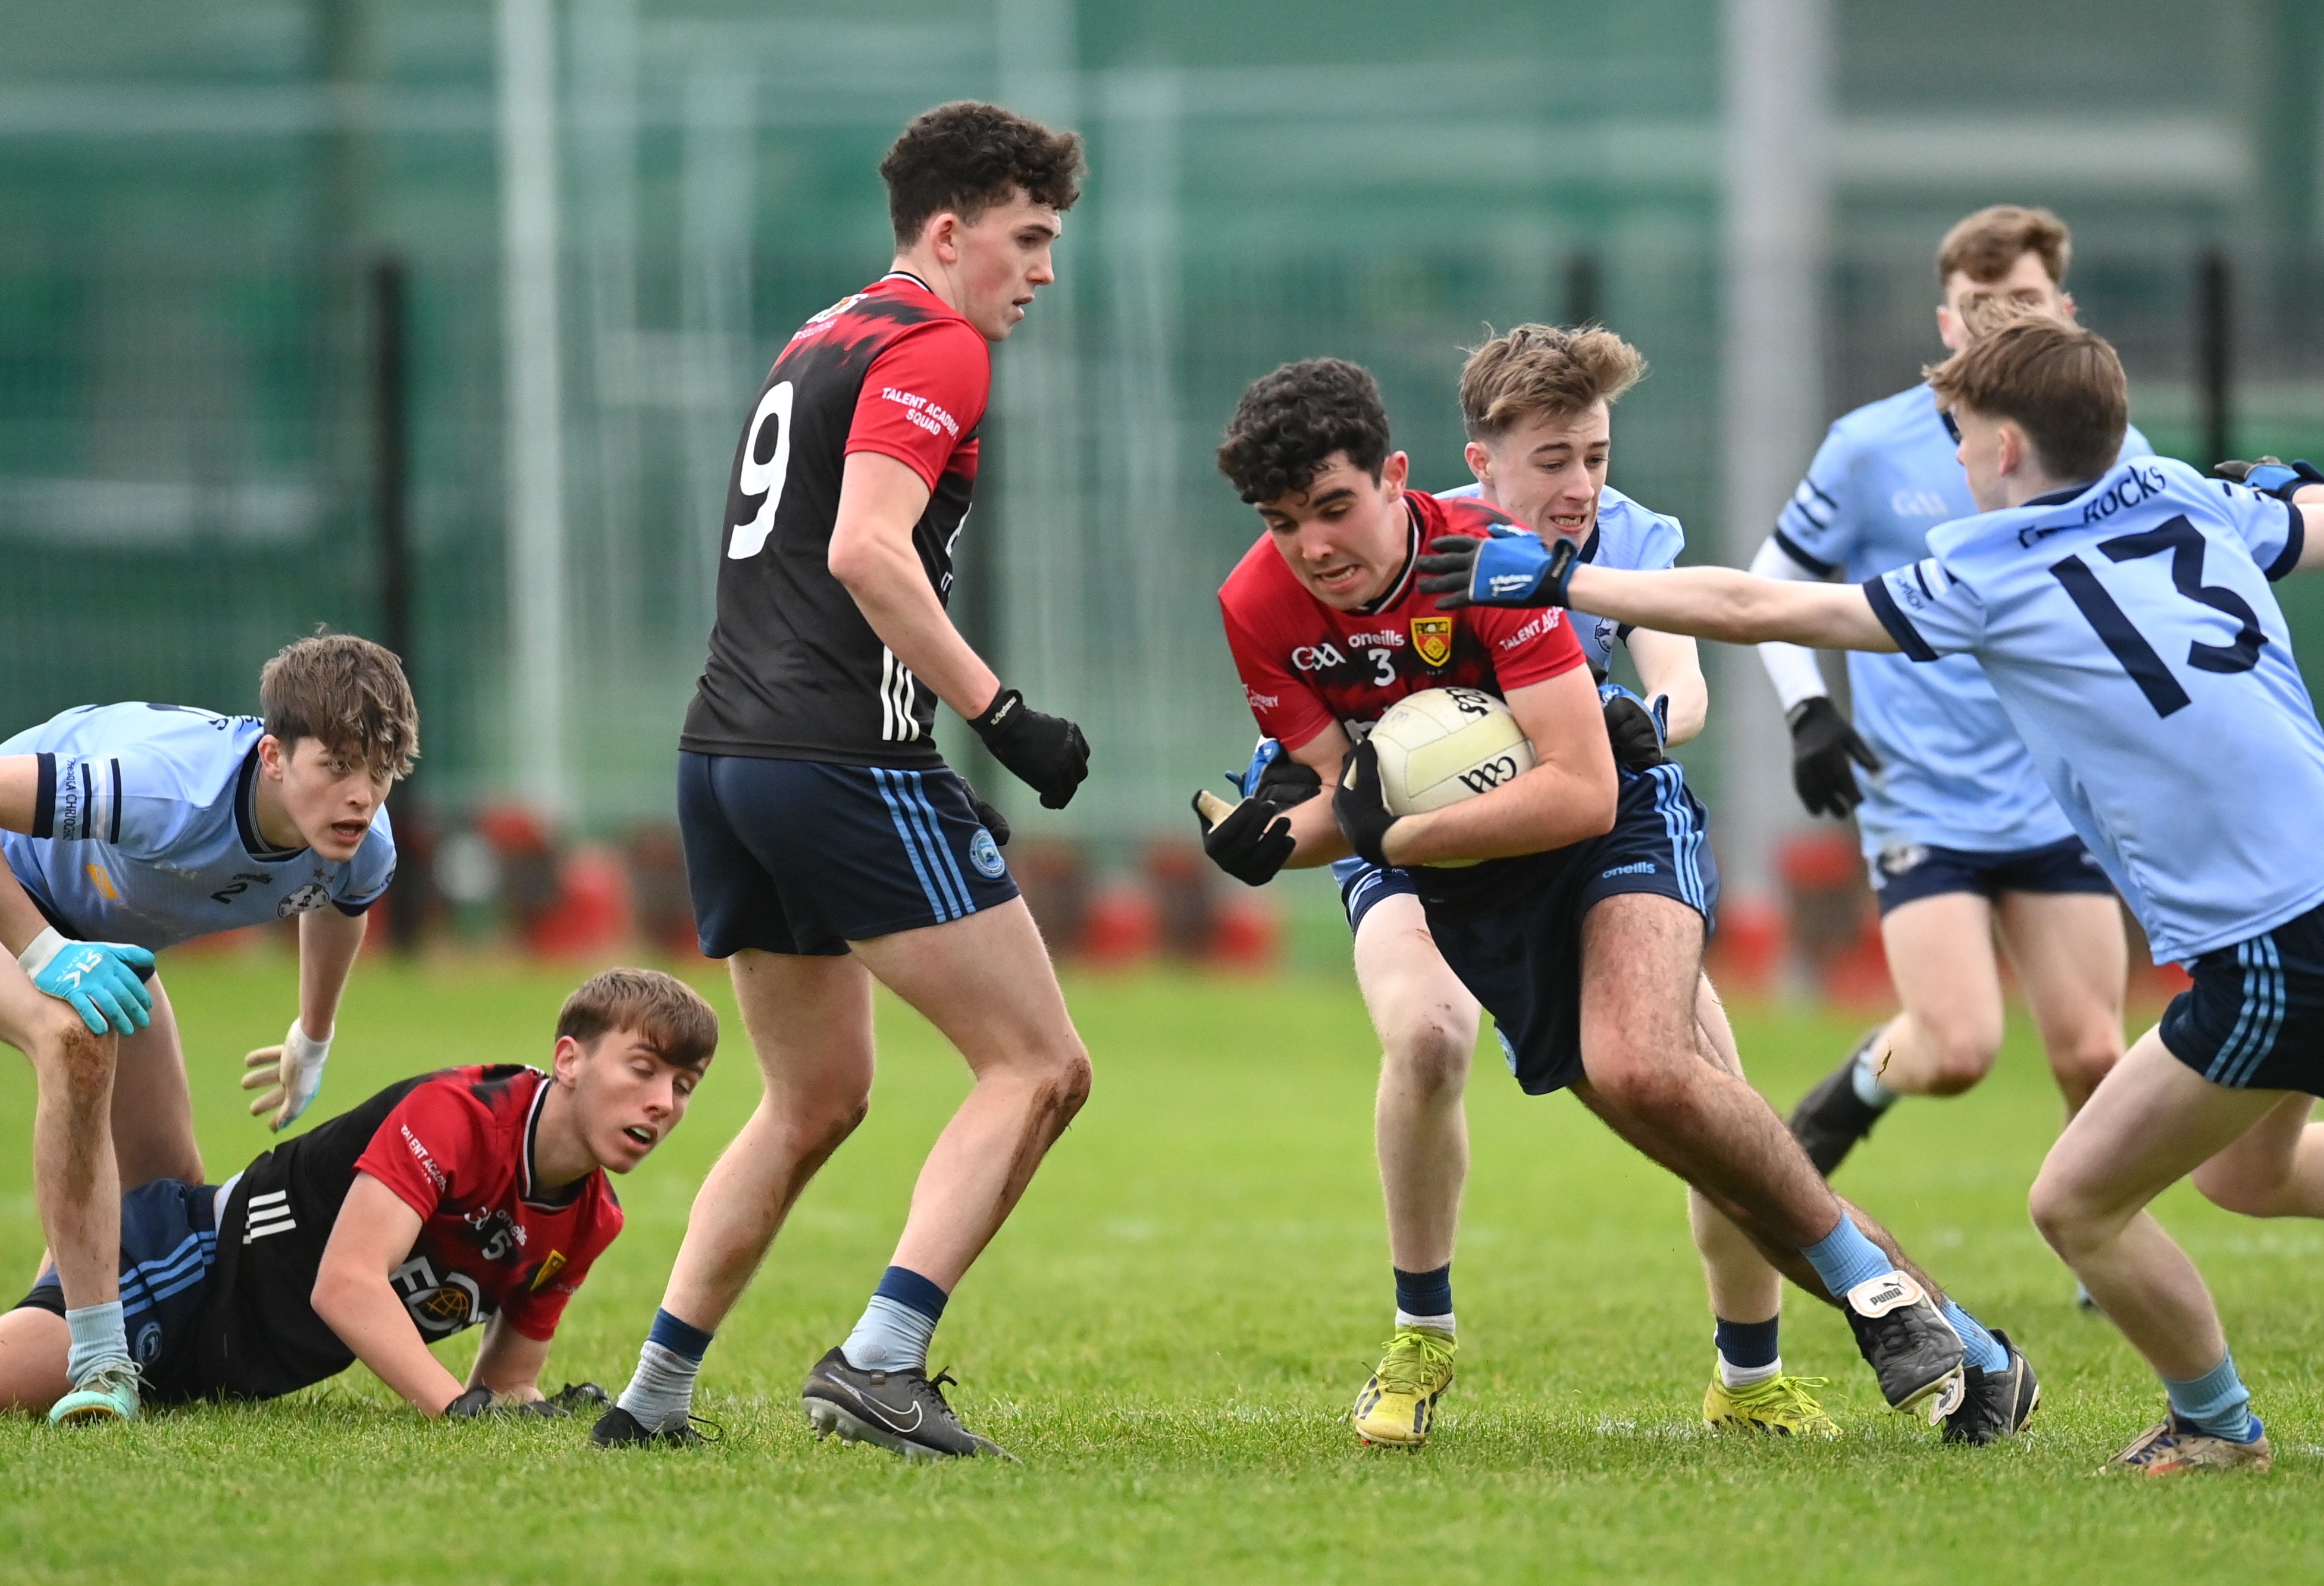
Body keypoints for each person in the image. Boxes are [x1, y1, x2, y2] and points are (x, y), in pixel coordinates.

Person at [1418, 311, 2324, 1475]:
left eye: (1959, 437)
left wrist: (1560, 574)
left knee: (2076, 1205)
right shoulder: (2186, 495)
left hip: (2272, 946)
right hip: (2296, 903)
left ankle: (2217, 1425)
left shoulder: (2002, 566)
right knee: (2246, 1173)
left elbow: (1763, 608)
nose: (1948, 461)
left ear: (2004, 451)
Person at [1208, 355, 2036, 1447]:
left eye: (1332, 509)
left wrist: (1391, 829)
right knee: (1709, 1137)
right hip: (1470, 890)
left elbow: (1585, 786)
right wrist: (1272, 841)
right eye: (1282, 522)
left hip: (1610, 828)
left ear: (1395, 477)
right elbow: (1335, 797)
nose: (1313, 547)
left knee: (1650, 1066)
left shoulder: (1486, 566)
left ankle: (1844, 1324)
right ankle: (1971, 1352)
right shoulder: (1258, 603)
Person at [590, 102, 1094, 1463]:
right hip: (832, 757)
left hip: (724, 757)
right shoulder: (938, 341)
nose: (1042, 270)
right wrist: (1003, 716)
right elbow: (870, 552)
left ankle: (653, 1389)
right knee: (1040, 1064)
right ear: (950, 232)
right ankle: (880, 1359)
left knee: (813, 1096)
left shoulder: (826, 330)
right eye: (1028, 238)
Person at [1755, 207, 2146, 1178]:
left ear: (2063, 307)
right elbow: (1774, 575)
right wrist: (1808, 709)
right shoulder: (1870, 445)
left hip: (2058, 792)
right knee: (1959, 1048)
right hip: (1919, 790)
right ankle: (1855, 1089)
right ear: (1943, 323)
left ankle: (2100, 1244)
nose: (1996, 322)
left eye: (2019, 300)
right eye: (1977, 306)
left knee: (2096, 1055)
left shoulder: (2110, 449)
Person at [0, 632, 413, 1425]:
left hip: (92, 942)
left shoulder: (365, 844)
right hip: (25, 909)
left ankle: (71, 1329)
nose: (361, 795)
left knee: (166, 1204)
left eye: (381, 770)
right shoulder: (160, 790)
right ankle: (97, 1360)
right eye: (337, 766)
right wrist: (44, 951)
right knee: (73, 1038)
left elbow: (339, 907)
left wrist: (313, 1035)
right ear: (274, 758)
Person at [0, 968, 713, 1421]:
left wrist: (520, 1408)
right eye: (643, 1070)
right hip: (184, 1270)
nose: (662, 1103)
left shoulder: (592, 1220)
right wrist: (455, 1410)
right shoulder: (461, 1114)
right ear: (569, 1059)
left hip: (227, 1364)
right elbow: (344, 1286)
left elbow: (506, 1383)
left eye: (683, 1086)